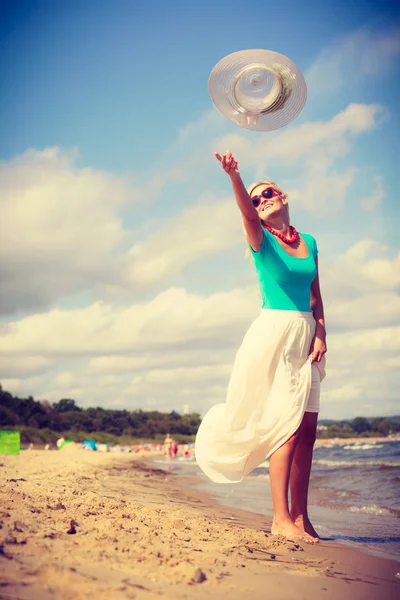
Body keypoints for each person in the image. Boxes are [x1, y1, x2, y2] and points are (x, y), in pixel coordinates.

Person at [195, 150, 327, 544]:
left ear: (283, 196)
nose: (261, 199)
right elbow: (247, 215)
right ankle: (279, 519)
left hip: (306, 335)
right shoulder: (259, 239)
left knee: (308, 429)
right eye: (255, 198)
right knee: (285, 425)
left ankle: (302, 518)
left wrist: (321, 333)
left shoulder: (311, 242)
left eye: (267, 192)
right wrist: (236, 177)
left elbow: (316, 295)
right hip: (274, 334)